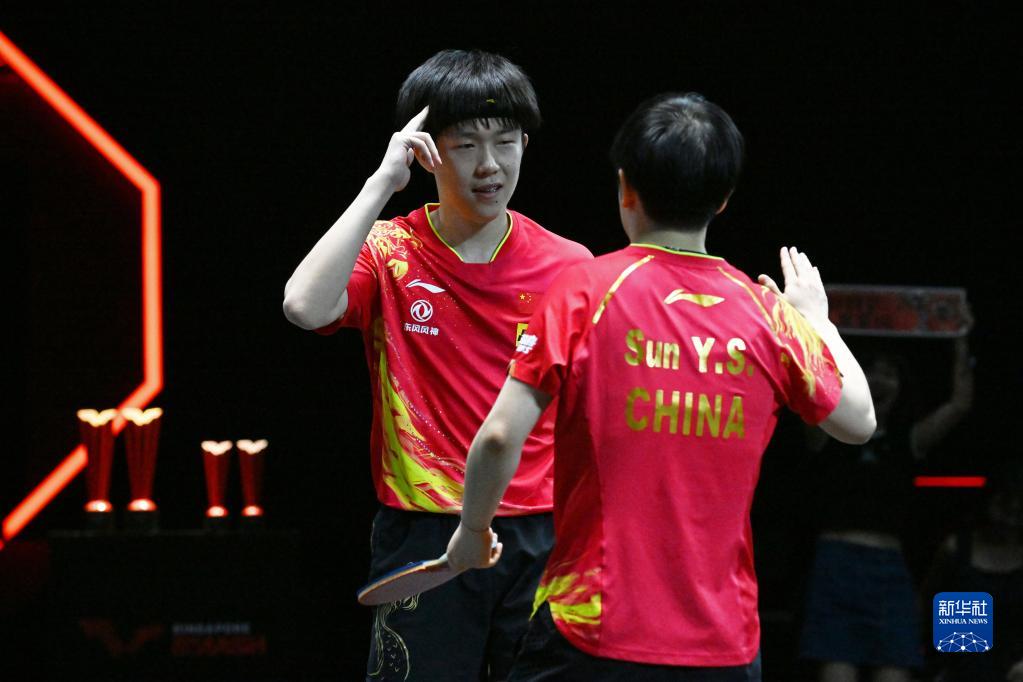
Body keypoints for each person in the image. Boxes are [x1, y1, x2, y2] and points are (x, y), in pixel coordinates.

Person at [445, 92, 876, 681]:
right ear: (723, 199)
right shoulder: (768, 316)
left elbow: (499, 438)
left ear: (625, 187)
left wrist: (472, 532)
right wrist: (818, 323)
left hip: (591, 633)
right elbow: (859, 422)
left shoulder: (583, 291)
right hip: (724, 646)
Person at [282, 50, 592, 681]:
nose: (489, 164)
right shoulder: (389, 250)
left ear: (525, 144)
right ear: (425, 152)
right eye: (465, 145)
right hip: (424, 533)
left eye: (505, 142)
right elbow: (304, 307)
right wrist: (380, 184)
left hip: (540, 532)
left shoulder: (569, 266)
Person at [799, 335, 974, 682]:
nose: (880, 380)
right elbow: (808, 387)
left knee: (895, 669)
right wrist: (811, 330)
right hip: (837, 563)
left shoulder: (908, 440)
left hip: (889, 567)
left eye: (889, 373)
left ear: (901, 387)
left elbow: (958, 405)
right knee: (838, 667)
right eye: (871, 370)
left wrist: (960, 342)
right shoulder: (827, 431)